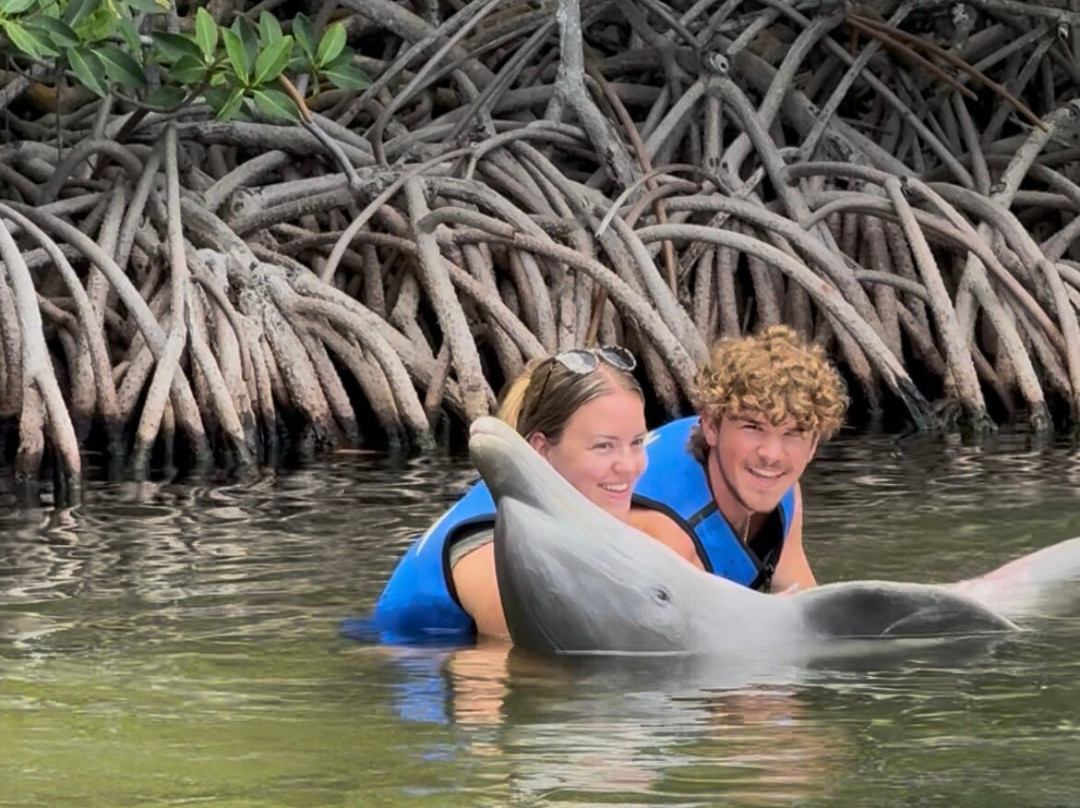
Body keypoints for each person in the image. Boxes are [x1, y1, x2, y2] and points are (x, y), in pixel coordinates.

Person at [362, 326, 847, 645]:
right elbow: (517, 687)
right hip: (425, 668)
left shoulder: (764, 471)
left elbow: (799, 600)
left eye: (636, 442)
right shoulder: (504, 558)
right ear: (541, 451)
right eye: (601, 447)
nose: (631, 468)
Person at [629, 324, 848, 595]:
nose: (771, 455)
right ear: (711, 426)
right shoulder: (666, 537)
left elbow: (801, 595)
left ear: (814, 445)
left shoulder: (784, 489)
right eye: (753, 428)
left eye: (794, 433)